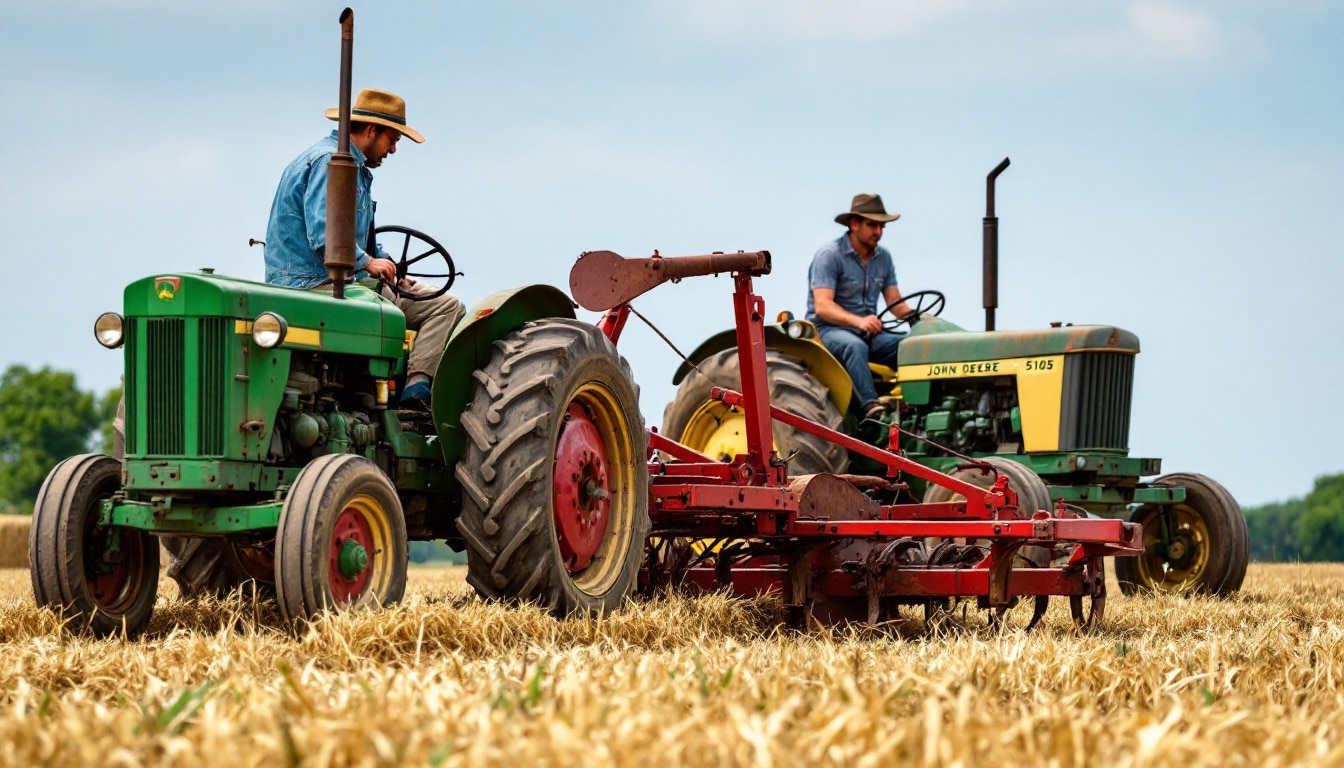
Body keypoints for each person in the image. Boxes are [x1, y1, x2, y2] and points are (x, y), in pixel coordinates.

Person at [264, 88, 464, 408]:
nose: (394, 149)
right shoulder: (331, 162)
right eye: (392, 139)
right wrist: (366, 262)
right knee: (446, 306)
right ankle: (416, 391)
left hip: (327, 277)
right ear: (371, 131)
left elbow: (354, 234)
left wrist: (383, 261)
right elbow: (326, 236)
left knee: (431, 299)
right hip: (315, 283)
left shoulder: (344, 165)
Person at [806, 193, 915, 419]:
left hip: (869, 332)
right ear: (854, 224)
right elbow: (823, 306)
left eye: (881, 226)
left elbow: (896, 304)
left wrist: (920, 319)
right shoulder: (830, 255)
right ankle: (870, 409)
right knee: (854, 347)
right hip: (828, 331)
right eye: (872, 225)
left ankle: (914, 405)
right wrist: (860, 321)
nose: (878, 232)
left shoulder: (883, 258)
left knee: (910, 346)